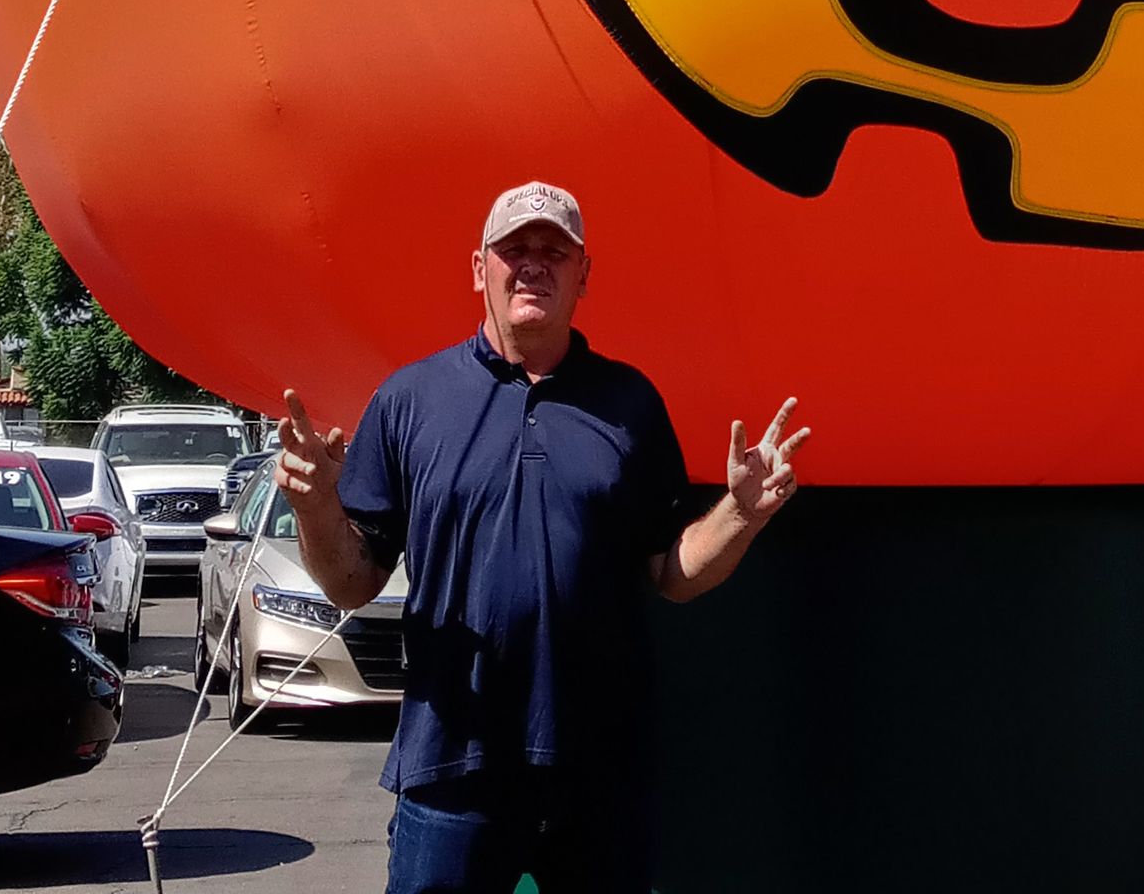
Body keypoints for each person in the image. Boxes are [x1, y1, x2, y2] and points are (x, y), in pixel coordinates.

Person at [273, 179, 809, 894]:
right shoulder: (410, 399)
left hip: (598, 772)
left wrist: (743, 513)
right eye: (514, 249)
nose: (533, 264)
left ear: (583, 275)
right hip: (450, 768)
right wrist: (315, 509)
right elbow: (353, 581)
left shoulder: (629, 404)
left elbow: (671, 573)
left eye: (554, 251)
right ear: (478, 269)